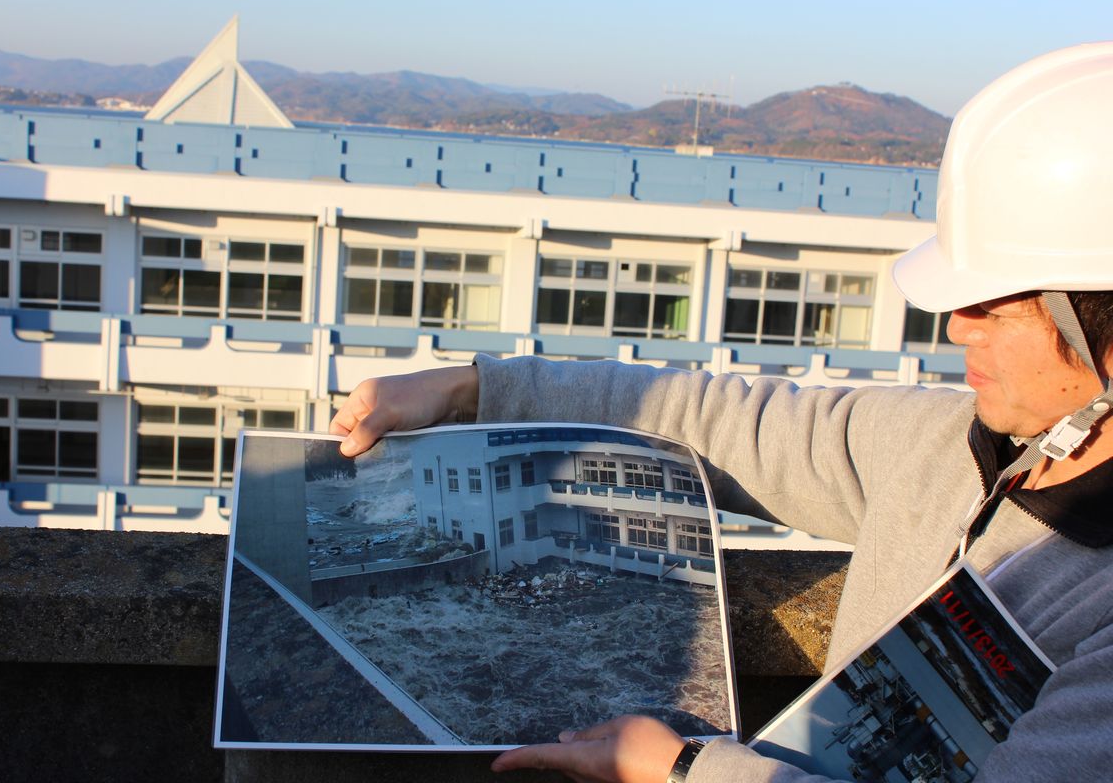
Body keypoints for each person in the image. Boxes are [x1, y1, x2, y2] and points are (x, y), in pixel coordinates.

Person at [330, 43, 1113, 783]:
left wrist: (683, 770)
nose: (955, 326)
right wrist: (477, 389)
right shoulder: (955, 449)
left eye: (993, 307)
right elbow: (722, 421)